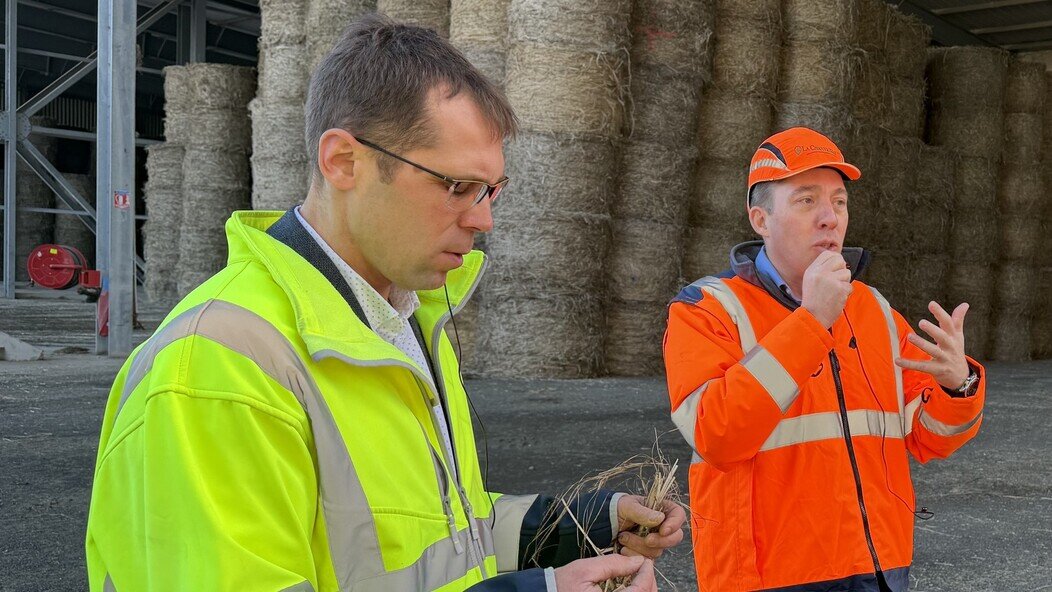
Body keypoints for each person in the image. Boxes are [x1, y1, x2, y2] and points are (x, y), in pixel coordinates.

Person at [86, 15, 685, 592]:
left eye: (491, 190)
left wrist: (577, 528)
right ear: (344, 161)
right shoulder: (218, 370)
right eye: (456, 186)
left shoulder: (403, 322)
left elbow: (431, 534)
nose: (484, 219)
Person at [664, 127, 986, 592]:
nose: (829, 218)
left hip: (878, 567)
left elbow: (929, 437)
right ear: (760, 220)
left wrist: (959, 387)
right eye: (806, 200)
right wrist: (812, 321)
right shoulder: (706, 309)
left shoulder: (873, 309)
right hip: (769, 577)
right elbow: (717, 435)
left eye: (839, 202)